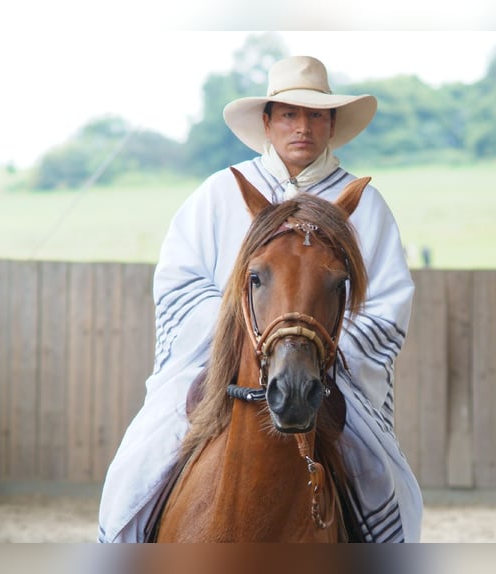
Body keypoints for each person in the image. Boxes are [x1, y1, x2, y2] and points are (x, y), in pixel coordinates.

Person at [97, 55, 422, 542]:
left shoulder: (364, 206)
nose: (302, 127)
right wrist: (245, 334)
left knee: (383, 479)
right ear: (267, 122)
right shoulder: (218, 194)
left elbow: (385, 302)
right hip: (219, 367)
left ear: (332, 124)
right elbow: (179, 283)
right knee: (138, 463)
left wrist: (314, 345)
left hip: (324, 370)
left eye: (316, 115)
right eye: (289, 114)